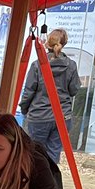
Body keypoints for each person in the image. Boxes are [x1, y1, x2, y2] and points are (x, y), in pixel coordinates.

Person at [19, 27, 81, 163]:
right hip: (62, 116)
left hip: (39, 115)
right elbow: (74, 90)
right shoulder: (71, 65)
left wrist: (24, 109)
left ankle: (35, 182)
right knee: (53, 155)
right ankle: (50, 181)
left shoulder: (37, 65)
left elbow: (29, 91)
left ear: (48, 42)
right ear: (64, 43)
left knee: (34, 155)